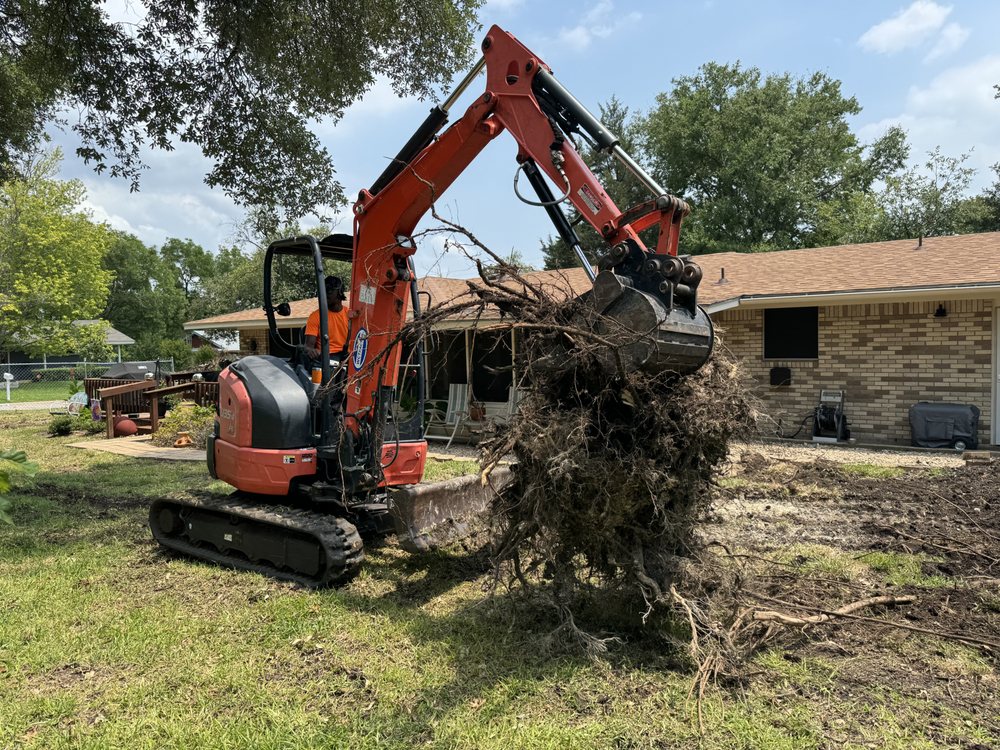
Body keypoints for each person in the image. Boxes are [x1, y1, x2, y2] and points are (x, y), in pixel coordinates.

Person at [305, 275, 349, 360]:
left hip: (346, 357)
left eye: (329, 291)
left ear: (340, 292)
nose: (325, 294)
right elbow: (308, 346)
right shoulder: (316, 316)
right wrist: (312, 351)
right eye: (324, 291)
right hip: (326, 358)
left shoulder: (349, 314)